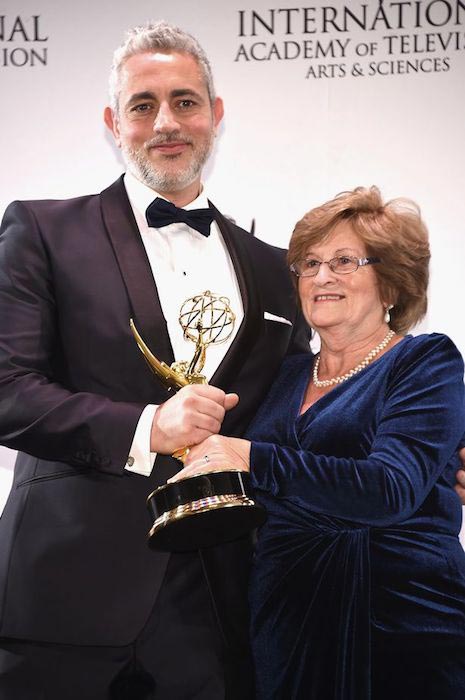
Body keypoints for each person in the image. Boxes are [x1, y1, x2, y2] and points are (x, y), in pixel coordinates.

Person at [0, 21, 310, 699]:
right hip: (65, 598)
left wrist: (419, 458)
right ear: (115, 123)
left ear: (215, 114)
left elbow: (297, 415)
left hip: (218, 605)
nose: (166, 122)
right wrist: (147, 429)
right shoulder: (42, 231)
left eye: (185, 101)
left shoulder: (275, 267)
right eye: (143, 105)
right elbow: (7, 391)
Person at [177, 186, 465, 699]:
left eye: (345, 261)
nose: (321, 276)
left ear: (393, 285)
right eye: (309, 264)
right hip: (284, 616)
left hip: (399, 617)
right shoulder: (283, 374)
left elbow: (390, 489)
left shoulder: (424, 363)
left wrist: (249, 457)